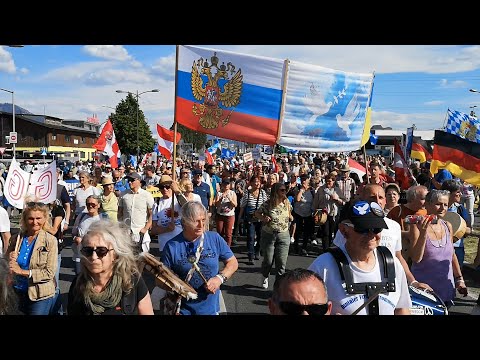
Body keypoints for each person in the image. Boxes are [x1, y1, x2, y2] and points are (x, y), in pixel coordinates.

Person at [308, 200, 412, 315]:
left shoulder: (392, 264)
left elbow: (402, 309)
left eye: (377, 229)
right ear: (343, 230)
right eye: (363, 229)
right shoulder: (324, 266)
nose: (372, 235)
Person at [161, 201, 239, 315]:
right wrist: (175, 287)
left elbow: (233, 263)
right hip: (182, 310)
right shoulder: (172, 246)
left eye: (203, 220)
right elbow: (160, 280)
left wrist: (219, 279)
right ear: (184, 221)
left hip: (210, 310)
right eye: (195, 221)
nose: (201, 225)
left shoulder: (214, 238)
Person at [67, 220, 154, 315]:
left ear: (115, 255)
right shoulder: (78, 285)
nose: (94, 257)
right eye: (88, 251)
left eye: (101, 251)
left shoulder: (132, 281)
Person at [409, 189, 468, 306]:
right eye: (438, 204)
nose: (442, 208)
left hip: (446, 289)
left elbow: (452, 255)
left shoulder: (448, 226)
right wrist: (424, 233)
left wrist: (459, 279)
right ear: (427, 204)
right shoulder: (417, 226)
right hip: (425, 291)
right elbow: (416, 258)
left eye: (445, 205)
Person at [6, 202, 58, 315]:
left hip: (39, 295)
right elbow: (5, 265)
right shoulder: (17, 239)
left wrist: (23, 272)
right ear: (24, 219)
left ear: (45, 219)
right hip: (17, 292)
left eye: (38, 218)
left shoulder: (50, 241)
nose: (35, 222)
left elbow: (49, 272)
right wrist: (8, 258)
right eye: (30, 218)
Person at [255, 182, 294, 289]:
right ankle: (264, 275)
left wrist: (290, 217)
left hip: (284, 235)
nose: (284, 192)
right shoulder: (268, 203)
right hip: (269, 235)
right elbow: (257, 213)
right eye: (281, 190)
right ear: (275, 192)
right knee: (268, 261)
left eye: (285, 190)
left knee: (281, 263)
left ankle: (278, 286)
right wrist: (263, 218)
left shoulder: (287, 202)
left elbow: (290, 213)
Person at [118, 172, 154, 253]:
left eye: (132, 180)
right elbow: (120, 213)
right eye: (128, 180)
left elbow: (151, 214)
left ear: (139, 181)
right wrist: (120, 227)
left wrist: (145, 228)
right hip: (126, 231)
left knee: (142, 258)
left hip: (140, 231)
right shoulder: (123, 195)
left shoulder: (146, 195)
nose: (130, 182)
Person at [72, 195, 102, 274]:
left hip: (97, 257)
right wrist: (76, 238)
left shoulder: (103, 218)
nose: (90, 206)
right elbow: (74, 233)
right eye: (88, 204)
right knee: (80, 279)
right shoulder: (81, 216)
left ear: (98, 205)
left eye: (93, 204)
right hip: (81, 256)